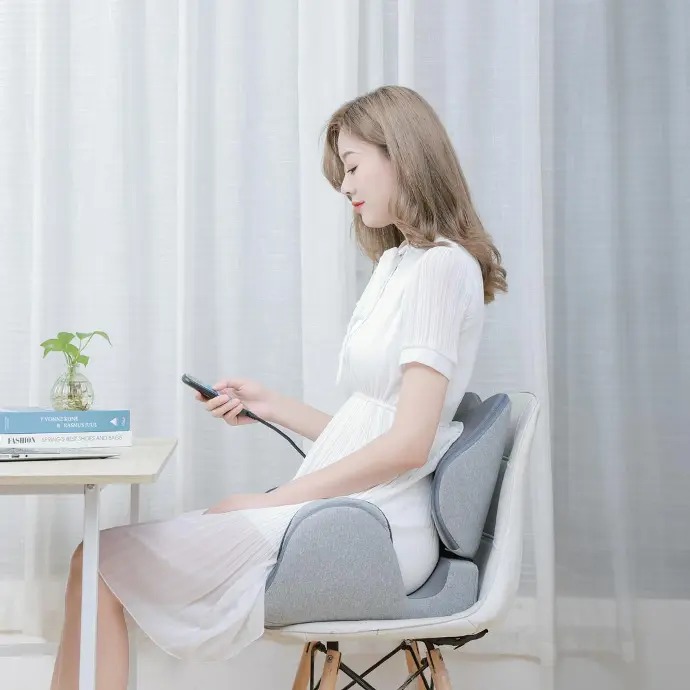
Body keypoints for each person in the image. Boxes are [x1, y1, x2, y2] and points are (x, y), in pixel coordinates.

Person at [50, 85, 507, 689]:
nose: (344, 187)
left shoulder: (442, 267)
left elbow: (408, 446)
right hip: (351, 514)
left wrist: (275, 501)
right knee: (96, 561)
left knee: (99, 562)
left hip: (373, 531)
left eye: (352, 167)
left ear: (401, 153)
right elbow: (376, 423)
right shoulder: (402, 264)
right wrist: (270, 405)